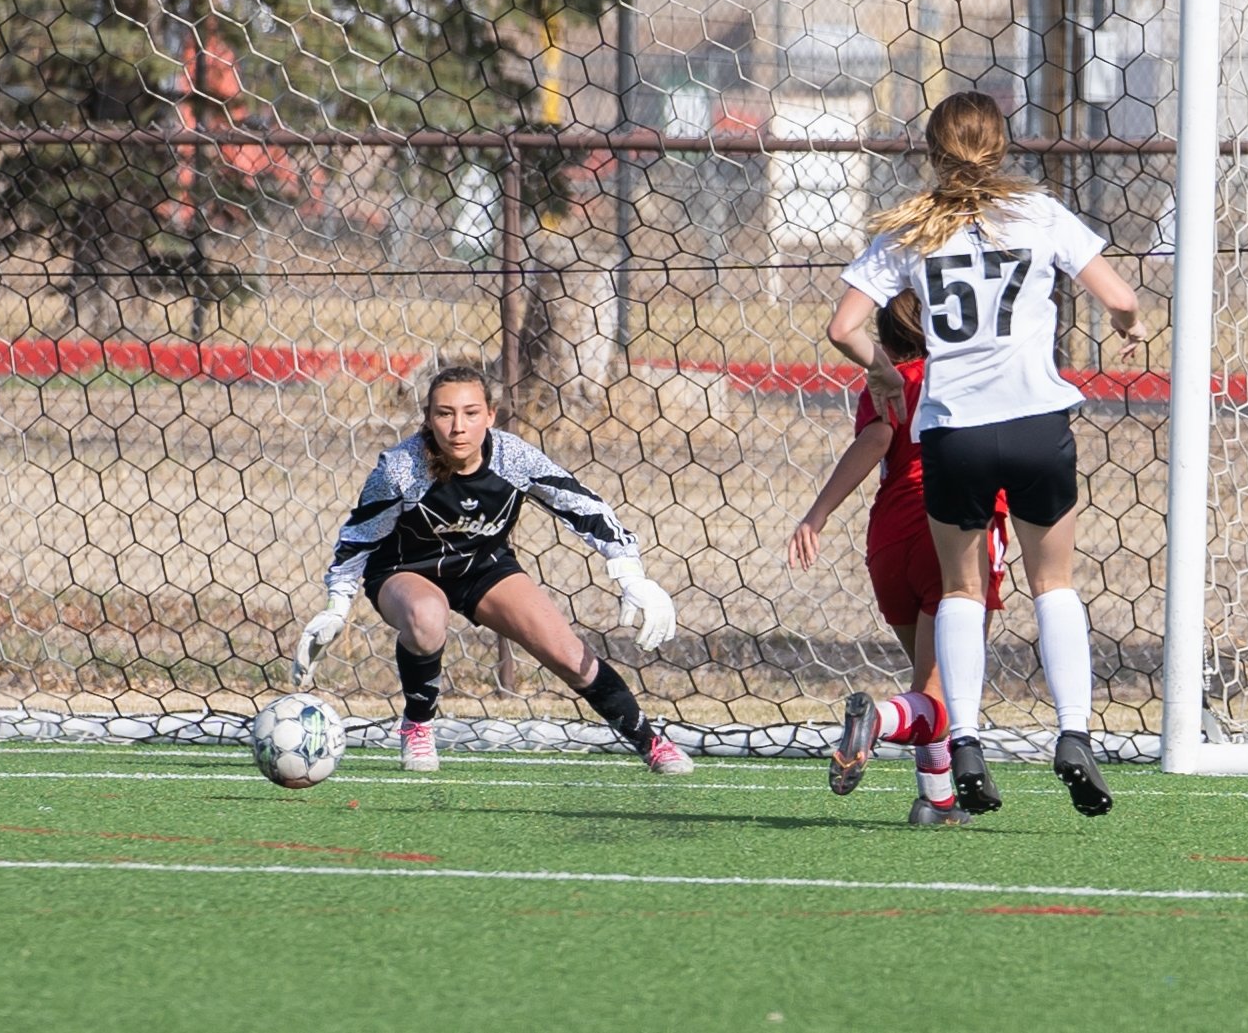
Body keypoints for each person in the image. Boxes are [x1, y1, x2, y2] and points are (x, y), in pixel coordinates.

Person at [827, 90, 1150, 818]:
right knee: (1053, 582)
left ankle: (966, 742)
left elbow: (843, 325)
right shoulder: (1039, 212)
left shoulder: (912, 228)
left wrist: (881, 369)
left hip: (955, 432)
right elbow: (1120, 295)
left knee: (961, 591)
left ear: (931, 153)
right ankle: (1074, 736)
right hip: (1037, 423)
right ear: (1002, 147)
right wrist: (1128, 324)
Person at [290, 363, 693, 775]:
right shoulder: (400, 467)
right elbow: (359, 537)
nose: (457, 427)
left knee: (571, 657)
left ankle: (651, 742)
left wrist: (631, 574)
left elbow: (584, 507)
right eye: (444, 413)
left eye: (470, 413)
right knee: (428, 617)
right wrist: (337, 607)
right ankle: (418, 724)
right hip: (403, 571)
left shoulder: (514, 458)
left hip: (483, 568)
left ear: (490, 415)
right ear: (428, 417)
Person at [789, 290, 1008, 827]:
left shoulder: (887, 382)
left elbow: (874, 441)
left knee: (930, 685)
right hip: (954, 535)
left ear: (885, 338)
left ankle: (936, 801)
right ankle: (879, 721)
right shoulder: (969, 377)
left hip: (889, 540)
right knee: (947, 688)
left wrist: (816, 514)